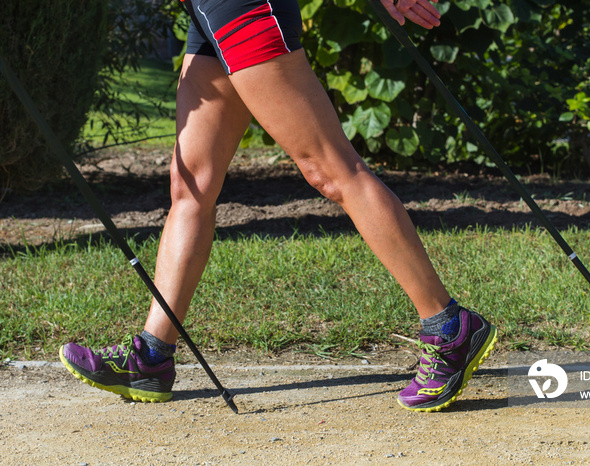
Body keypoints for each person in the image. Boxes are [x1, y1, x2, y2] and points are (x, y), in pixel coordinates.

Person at [59, 0, 497, 412]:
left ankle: (449, 328)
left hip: (244, 5)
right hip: (205, 9)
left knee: (330, 169)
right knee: (192, 184)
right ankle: (152, 358)